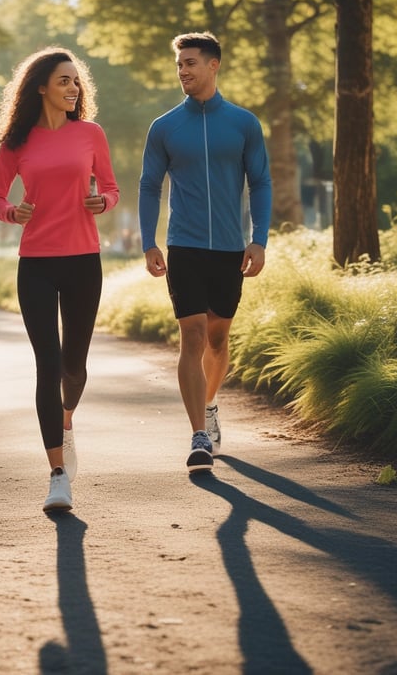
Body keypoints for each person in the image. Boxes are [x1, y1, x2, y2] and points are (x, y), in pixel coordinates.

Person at [0, 47, 120, 512]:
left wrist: (103, 202)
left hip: (84, 259)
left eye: (76, 81)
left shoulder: (91, 134)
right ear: (41, 86)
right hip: (37, 263)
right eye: (64, 80)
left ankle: (66, 423)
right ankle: (57, 474)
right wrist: (12, 212)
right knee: (47, 365)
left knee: (73, 368)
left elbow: (111, 186)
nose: (73, 88)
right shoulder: (16, 142)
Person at [138, 31, 272, 474]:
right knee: (192, 335)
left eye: (191, 63)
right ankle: (198, 433)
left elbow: (261, 183)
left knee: (218, 336)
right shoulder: (165, 127)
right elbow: (149, 186)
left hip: (230, 248)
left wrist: (259, 238)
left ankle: (210, 403)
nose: (183, 71)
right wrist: (148, 242)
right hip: (185, 245)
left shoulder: (243, 123)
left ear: (214, 65)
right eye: (179, 65)